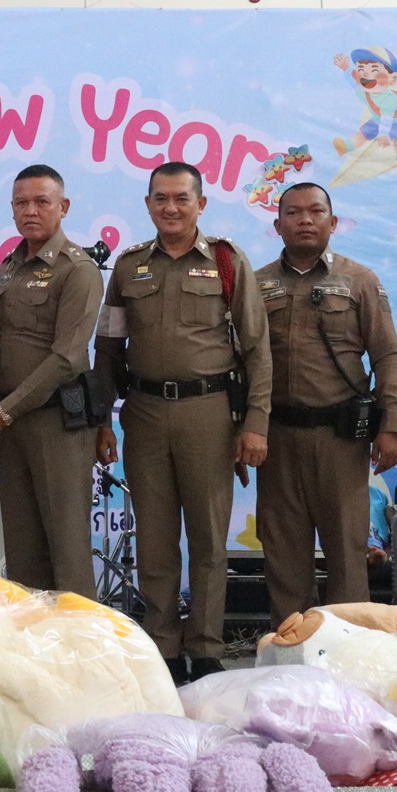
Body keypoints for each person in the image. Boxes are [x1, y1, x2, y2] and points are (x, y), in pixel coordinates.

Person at [93, 161, 271, 684]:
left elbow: (258, 350)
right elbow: (108, 349)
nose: (170, 208)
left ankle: (207, 647)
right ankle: (164, 647)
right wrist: (102, 420)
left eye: (181, 199)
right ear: (148, 204)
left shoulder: (226, 261)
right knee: (154, 538)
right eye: (161, 198)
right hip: (143, 413)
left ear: (201, 204)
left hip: (208, 413)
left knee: (209, 539)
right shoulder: (128, 267)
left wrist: (256, 422)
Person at [252, 182, 397, 627]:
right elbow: (241, 363)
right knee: (283, 553)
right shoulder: (256, 285)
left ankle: (349, 651)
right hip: (276, 439)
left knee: (347, 550)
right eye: (293, 212)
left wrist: (392, 425)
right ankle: (292, 648)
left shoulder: (359, 281)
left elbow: (387, 356)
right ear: (277, 224)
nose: (305, 220)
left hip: (340, 440)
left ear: (332, 222)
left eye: (316, 211)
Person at [0, 164, 103, 597]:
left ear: (63, 207)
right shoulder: (11, 266)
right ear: (12, 209)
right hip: (13, 422)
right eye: (21, 203)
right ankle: (31, 638)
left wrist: (3, 412)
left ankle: (77, 639)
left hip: (56, 422)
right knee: (23, 553)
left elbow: (66, 357)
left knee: (67, 550)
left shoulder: (77, 269)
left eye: (42, 202)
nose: (31, 211)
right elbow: (9, 349)